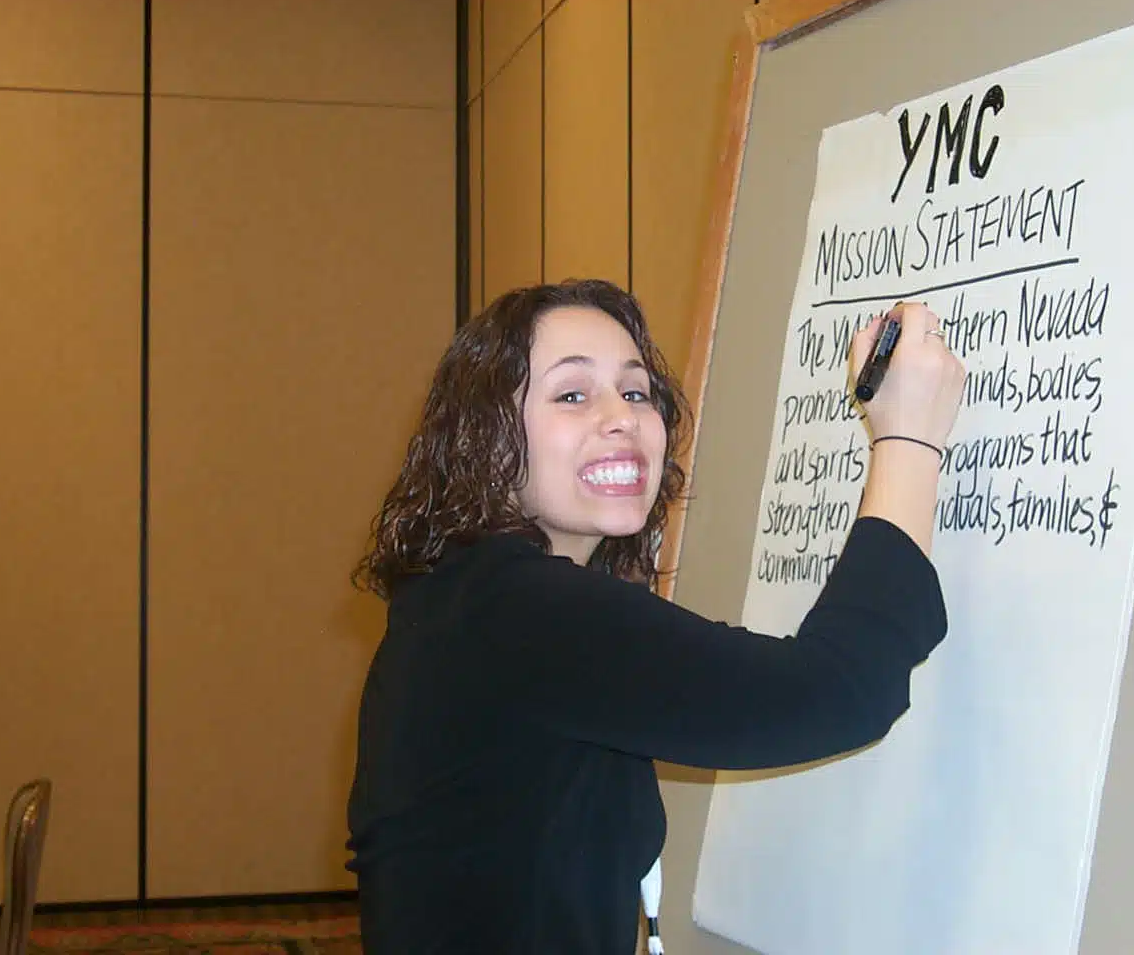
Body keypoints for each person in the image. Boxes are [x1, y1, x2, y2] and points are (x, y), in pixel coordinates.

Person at [345, 278, 966, 954]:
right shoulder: (518, 611)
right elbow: (835, 690)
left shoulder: (470, 600)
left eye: (636, 391)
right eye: (572, 394)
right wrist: (909, 439)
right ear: (489, 441)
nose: (621, 417)